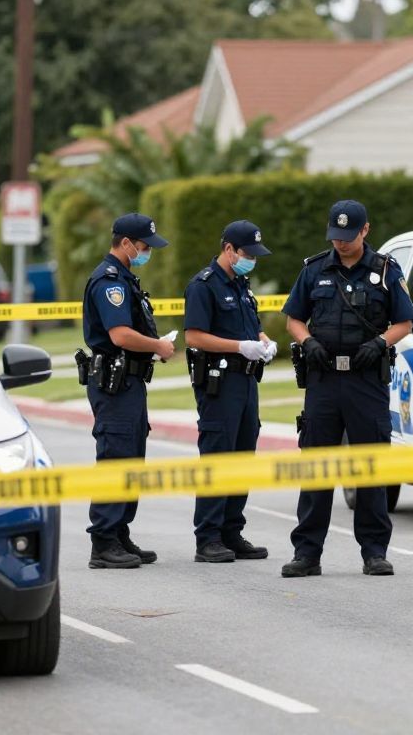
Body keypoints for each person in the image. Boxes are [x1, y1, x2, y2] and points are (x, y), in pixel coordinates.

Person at [280, 200, 413, 578]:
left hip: (366, 379)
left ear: (365, 231)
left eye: (348, 236)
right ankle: (307, 553)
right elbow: (293, 318)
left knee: (369, 467)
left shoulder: (386, 271)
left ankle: (374, 552)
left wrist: (380, 344)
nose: (340, 243)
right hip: (323, 378)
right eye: (335, 237)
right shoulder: (314, 270)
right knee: (317, 465)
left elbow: (404, 322)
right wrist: (308, 343)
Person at [83, 212, 175, 569]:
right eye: (142, 246)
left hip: (130, 382)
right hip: (114, 384)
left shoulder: (125, 278)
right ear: (125, 244)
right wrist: (157, 345)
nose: (146, 251)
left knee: (132, 457)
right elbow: (119, 336)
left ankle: (119, 532)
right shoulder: (110, 282)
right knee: (116, 457)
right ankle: (103, 541)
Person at [183, 220, 278, 563]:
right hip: (218, 383)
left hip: (246, 381)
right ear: (228, 250)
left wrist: (263, 343)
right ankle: (207, 536)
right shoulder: (203, 286)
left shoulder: (241, 286)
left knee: (242, 454)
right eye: (247, 254)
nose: (251, 259)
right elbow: (194, 336)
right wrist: (240, 347)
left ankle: (231, 531)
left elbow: (251, 328)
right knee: (218, 455)